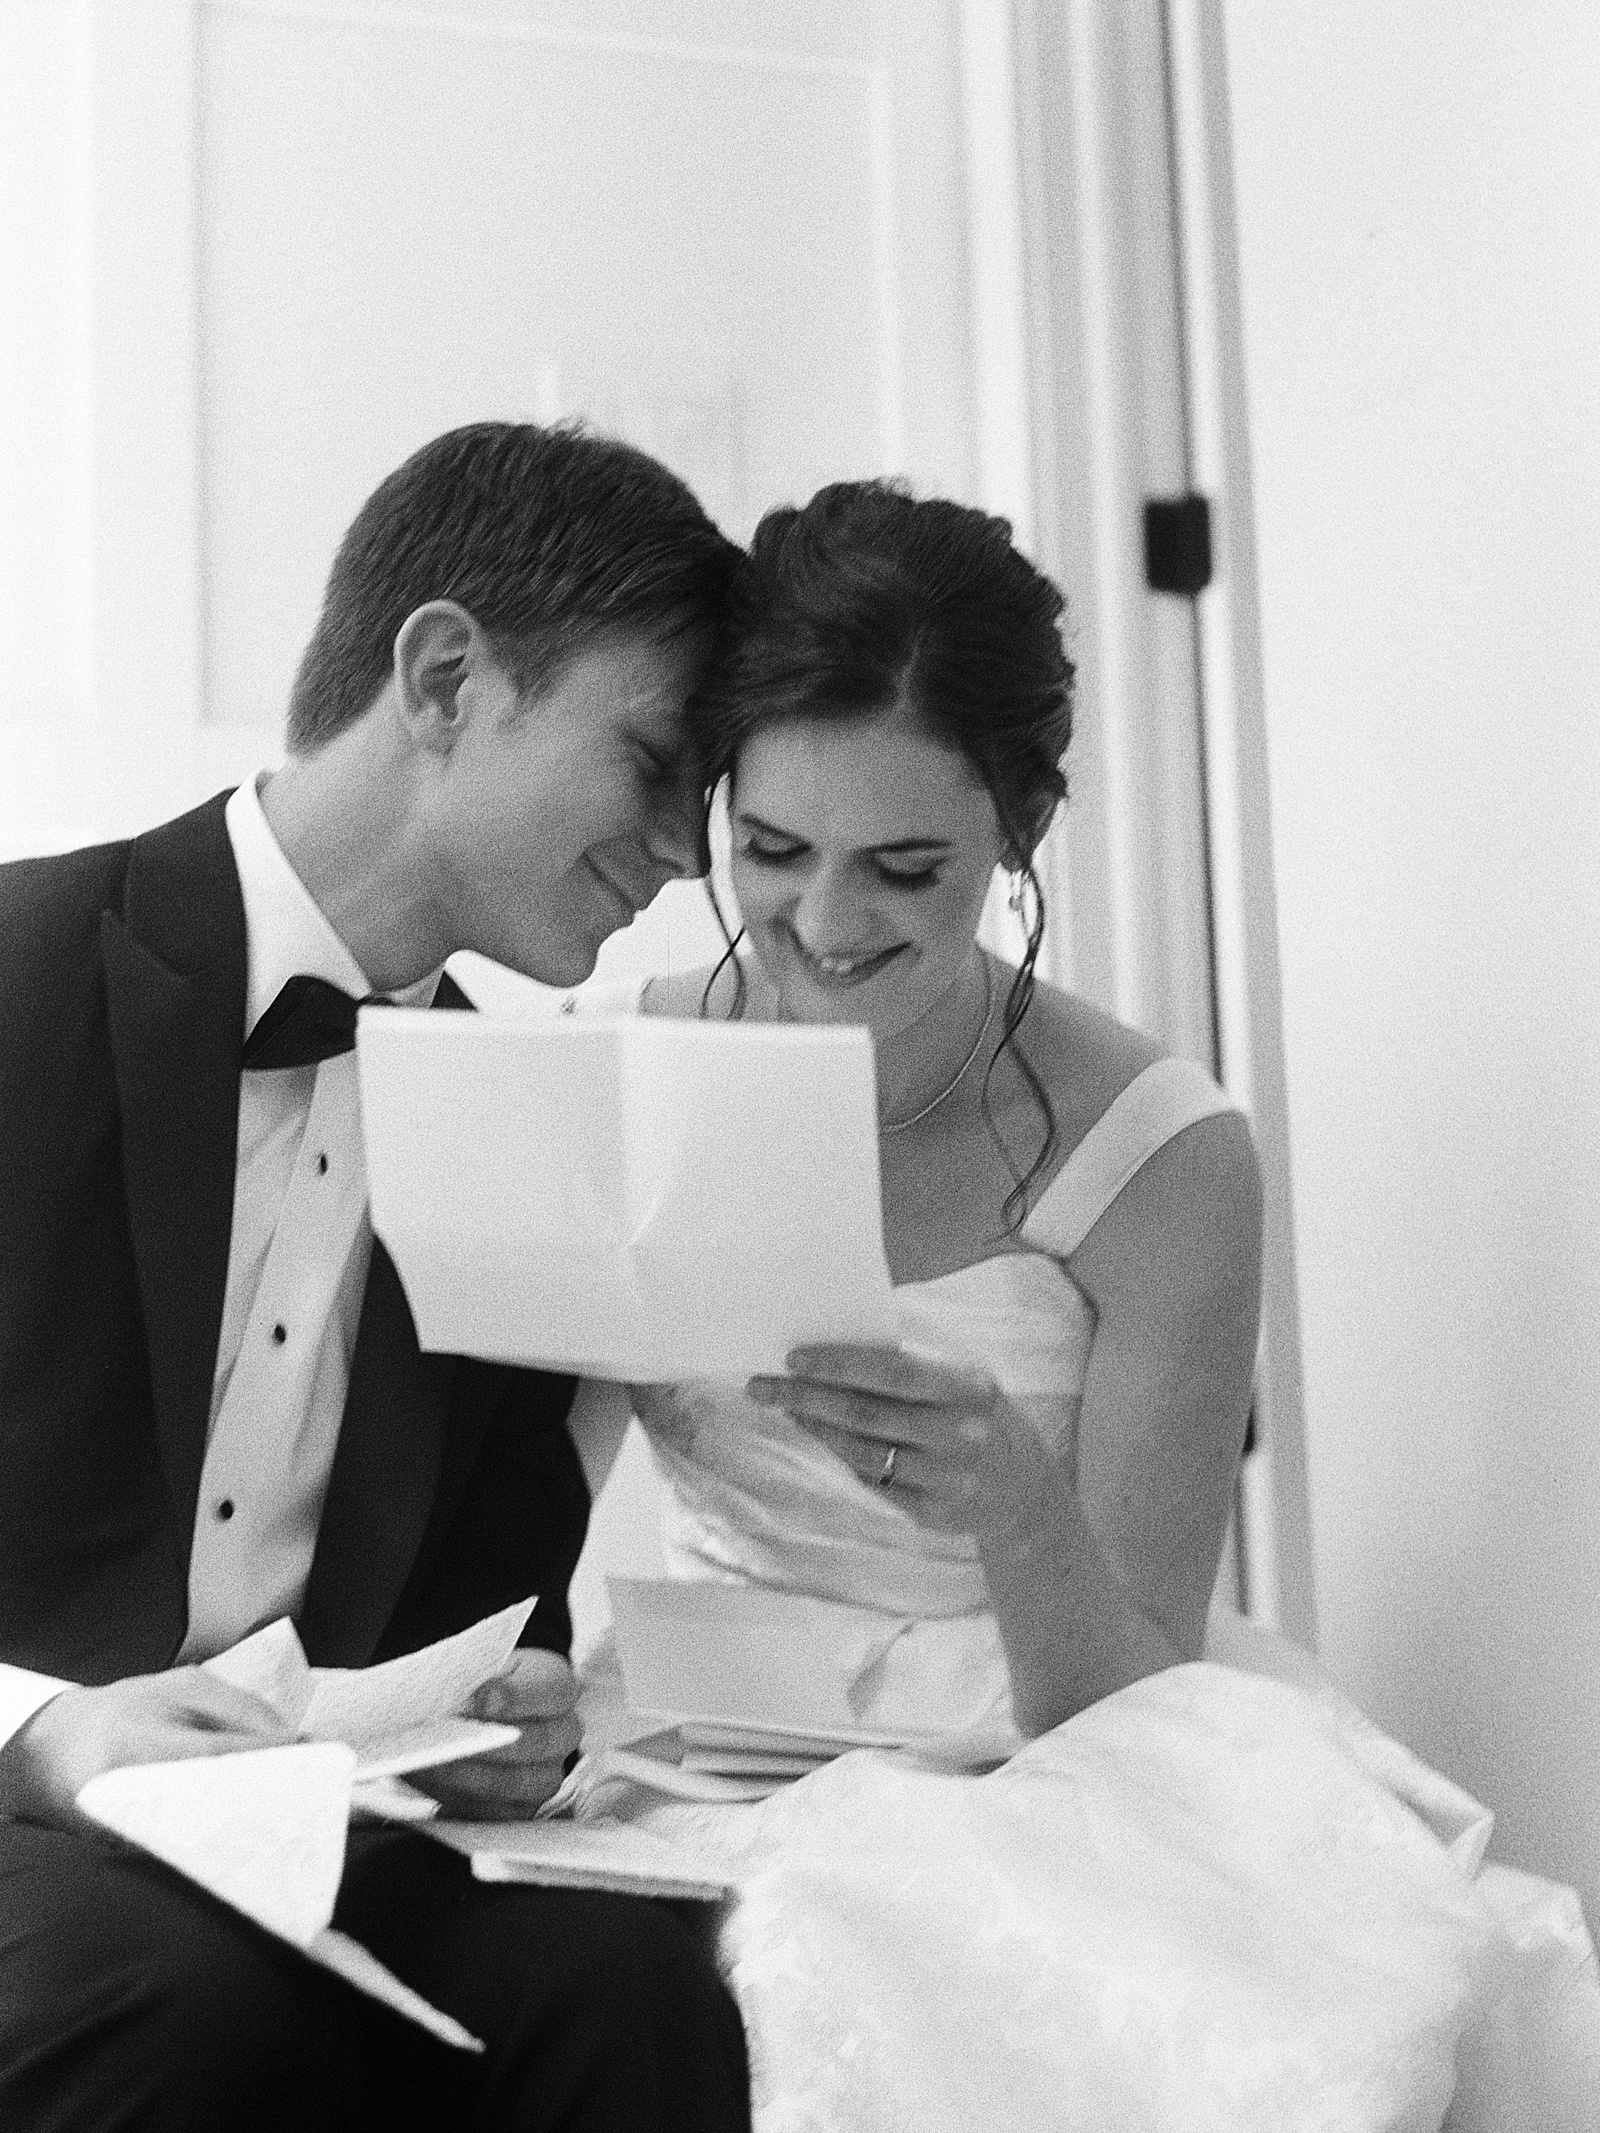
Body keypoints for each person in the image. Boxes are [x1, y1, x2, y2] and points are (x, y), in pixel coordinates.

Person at [563, 481, 1600, 2131]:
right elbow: (509, 1497)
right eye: (771, 852)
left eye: (907, 869)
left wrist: (1012, 1504)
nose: (826, 925)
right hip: (706, 1723)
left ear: (1022, 829)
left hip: (1053, 1740)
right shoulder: (622, 1068)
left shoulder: (1166, 1157)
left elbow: (1138, 1701)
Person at [0, 421, 752, 2133]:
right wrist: (49, 1733)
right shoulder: (13, 974)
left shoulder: (529, 1117)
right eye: (650, 762)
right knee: (183, 2013)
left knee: (655, 1986)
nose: (684, 856)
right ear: (443, 677)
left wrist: (505, 1718)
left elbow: (486, 1609)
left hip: (317, 1825)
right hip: (22, 1814)